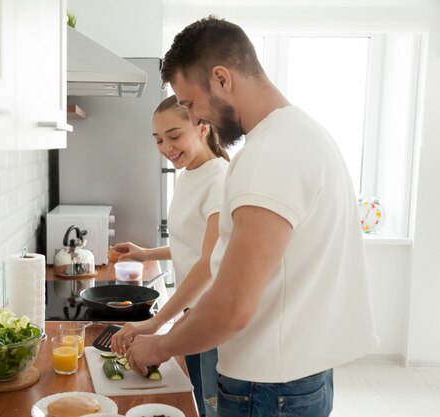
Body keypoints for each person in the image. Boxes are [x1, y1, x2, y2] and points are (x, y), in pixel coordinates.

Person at [124, 16, 379, 417]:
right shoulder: (307, 134)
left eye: (191, 104)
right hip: (301, 375)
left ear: (222, 79)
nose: (196, 120)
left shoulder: (268, 155)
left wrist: (159, 343)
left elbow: (232, 305)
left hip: (268, 388)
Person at [110, 94, 229, 417]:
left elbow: (208, 263)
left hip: (212, 317)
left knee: (210, 407)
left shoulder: (219, 179)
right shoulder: (188, 175)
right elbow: (191, 243)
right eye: (158, 140)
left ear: (202, 127)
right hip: (191, 312)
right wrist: (146, 252)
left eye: (174, 136)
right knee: (200, 403)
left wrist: (156, 323)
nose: (165, 147)